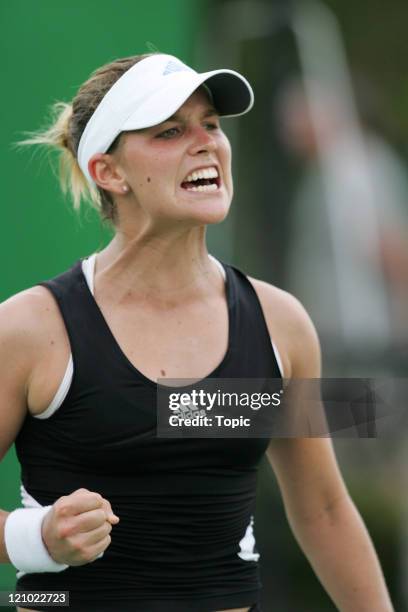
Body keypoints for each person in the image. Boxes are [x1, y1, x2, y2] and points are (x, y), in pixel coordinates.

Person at [0, 52, 393, 612]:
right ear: (108, 173)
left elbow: (324, 510)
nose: (206, 142)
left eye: (211, 124)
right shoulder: (27, 328)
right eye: (169, 131)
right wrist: (33, 538)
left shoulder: (283, 324)